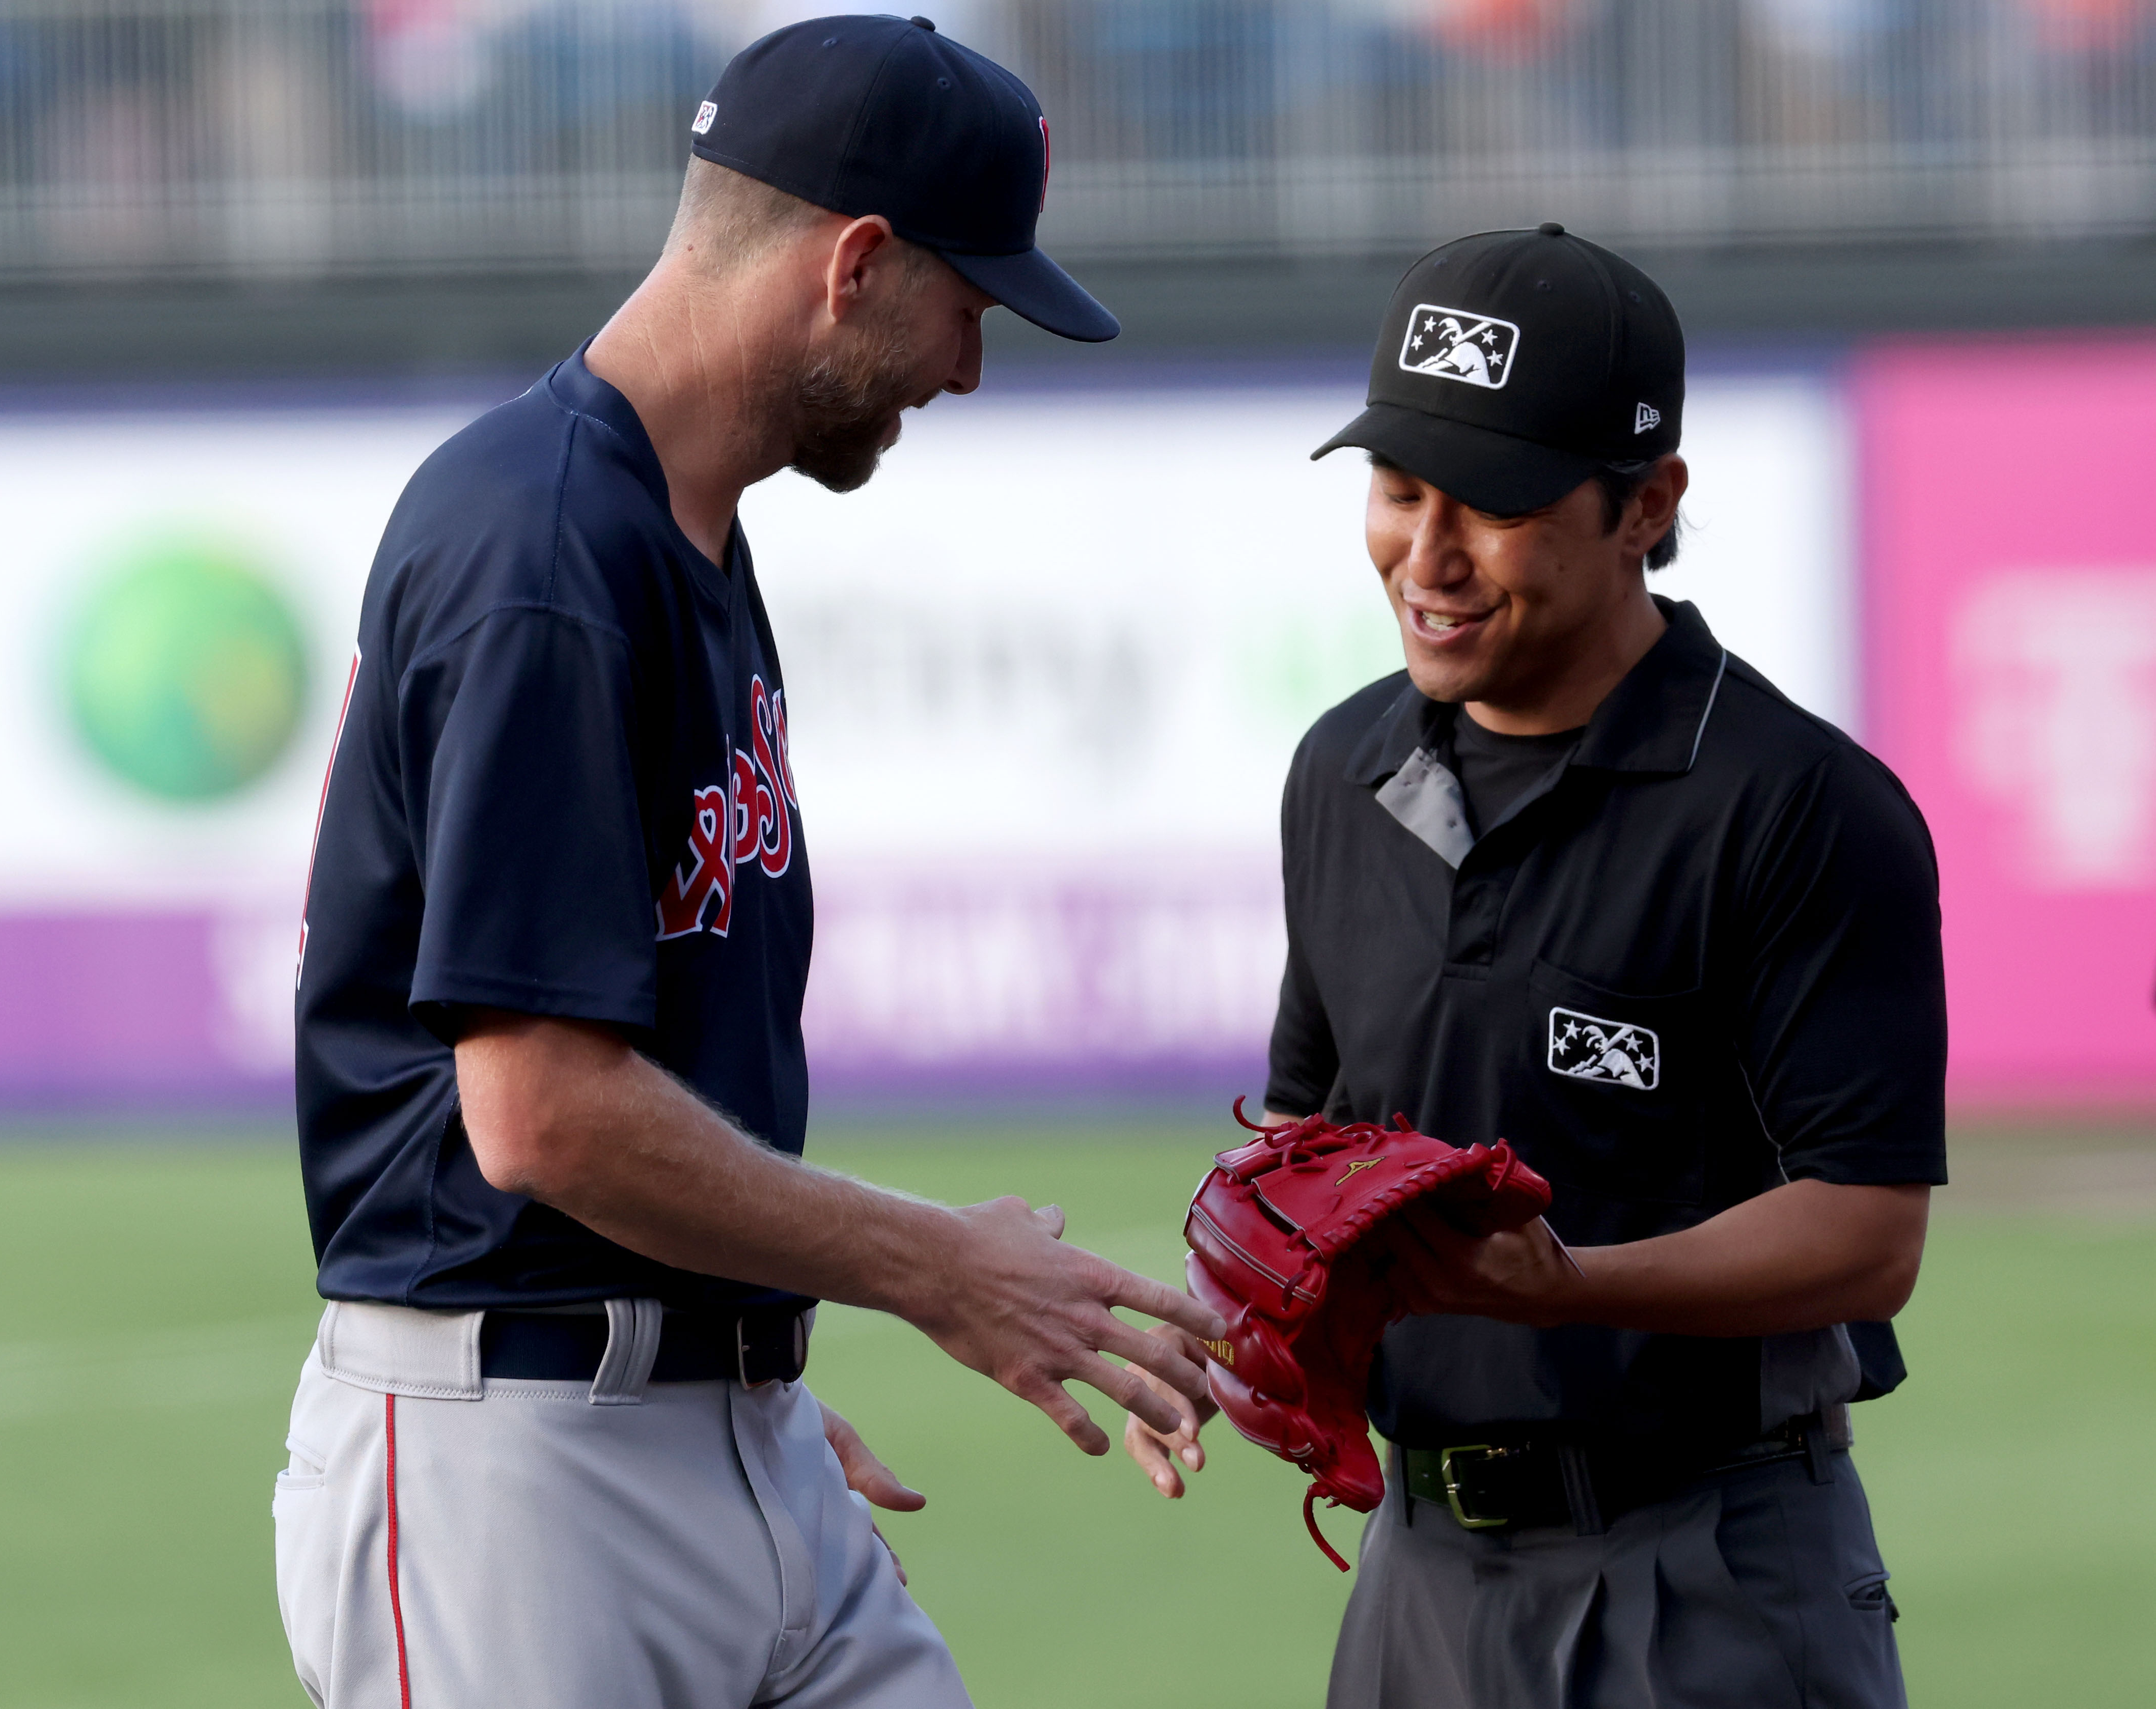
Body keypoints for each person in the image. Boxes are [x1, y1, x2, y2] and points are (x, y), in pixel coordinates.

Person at [273, 16, 1222, 1708]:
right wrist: (937, 1268)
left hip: (706, 1424)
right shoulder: (545, 548)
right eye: (972, 305)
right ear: (856, 264)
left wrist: (720, 1388)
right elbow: (539, 1111)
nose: (972, 369)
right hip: (521, 1480)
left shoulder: (676, 531)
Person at [1124, 223, 1944, 1708]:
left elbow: (1871, 1233)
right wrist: (1225, 1331)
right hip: (1420, 1580)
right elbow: (1306, 1146)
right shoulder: (1341, 772)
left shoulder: (1796, 803)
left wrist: (1565, 1289)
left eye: (1490, 505)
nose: (1425, 557)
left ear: (1648, 505)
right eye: (1396, 490)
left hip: (1713, 1573)